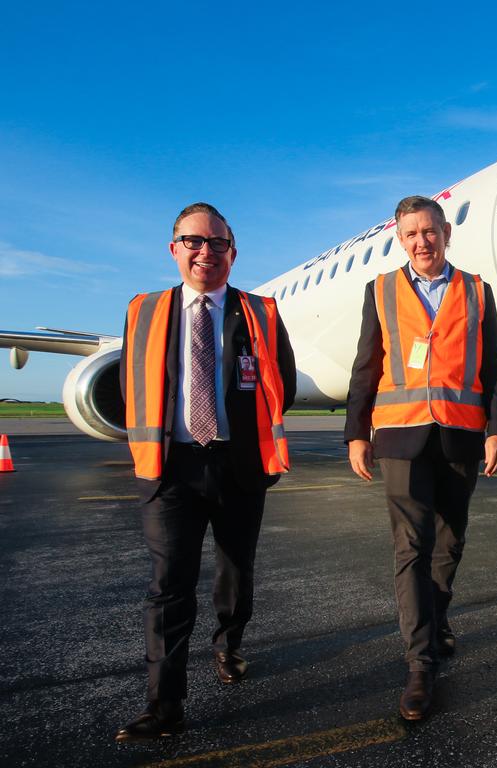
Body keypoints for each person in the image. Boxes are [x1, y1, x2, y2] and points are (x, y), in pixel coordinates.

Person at [115, 202, 296, 741]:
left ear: (232, 254)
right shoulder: (144, 310)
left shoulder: (260, 310)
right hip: (171, 467)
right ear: (174, 250)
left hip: (238, 462)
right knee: (169, 584)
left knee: (236, 571)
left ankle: (229, 643)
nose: (205, 252)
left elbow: (280, 377)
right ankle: (164, 704)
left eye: (217, 243)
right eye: (193, 241)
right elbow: (131, 382)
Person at [345, 195, 497, 721]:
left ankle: (435, 619)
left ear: (446, 233)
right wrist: (356, 432)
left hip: (460, 434)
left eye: (430, 231)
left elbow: (496, 368)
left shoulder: (477, 291)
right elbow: (366, 365)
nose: (422, 241)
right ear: (401, 239)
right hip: (400, 435)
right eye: (412, 233)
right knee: (410, 547)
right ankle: (420, 665)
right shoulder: (381, 290)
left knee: (450, 541)